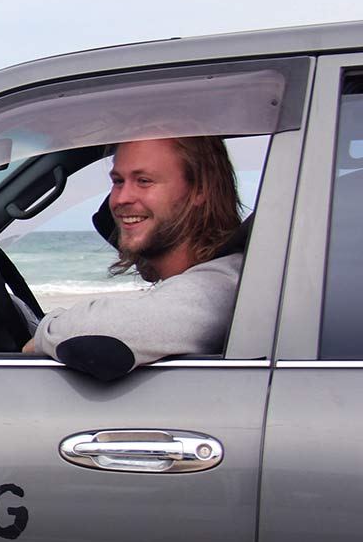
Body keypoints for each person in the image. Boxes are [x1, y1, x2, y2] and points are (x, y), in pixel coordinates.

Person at [20, 136, 244, 380]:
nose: (120, 198)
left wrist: (43, 335)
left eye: (144, 181)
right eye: (118, 181)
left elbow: (102, 332)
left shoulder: (223, 287)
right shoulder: (219, 279)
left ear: (200, 190)